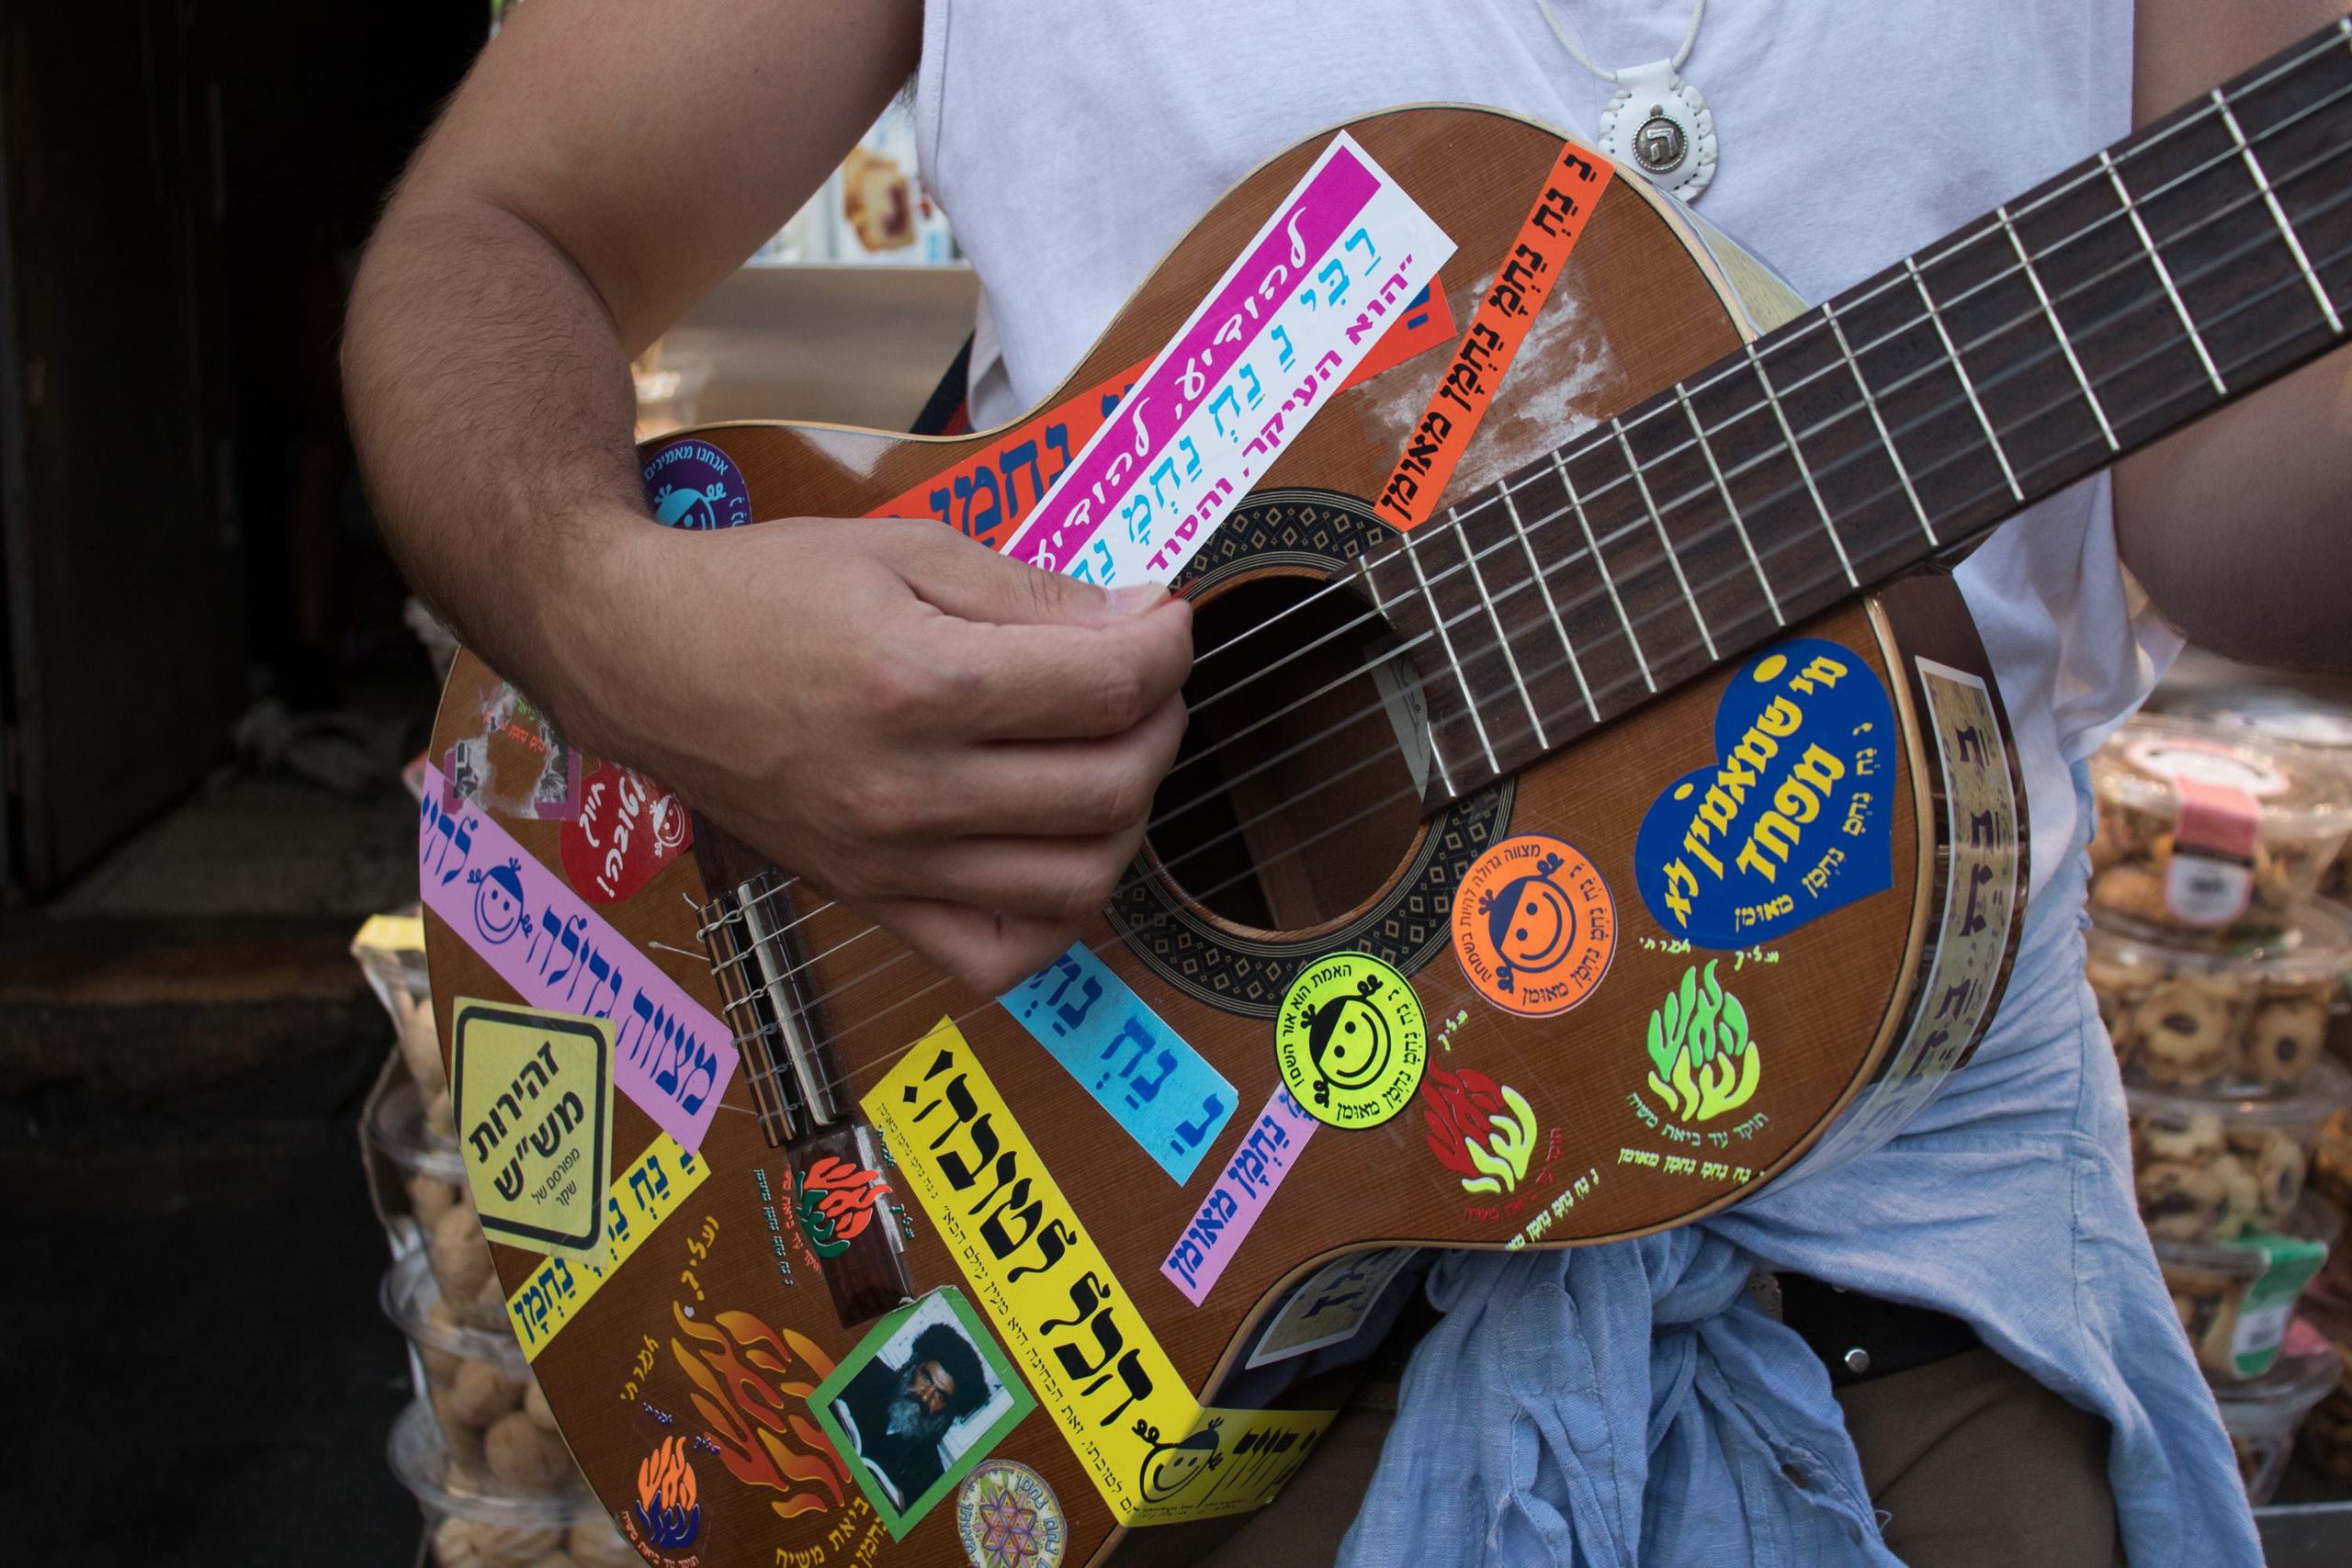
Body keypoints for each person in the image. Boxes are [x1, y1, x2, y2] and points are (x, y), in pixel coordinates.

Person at [344, 3, 2352, 1564]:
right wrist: (625, 632)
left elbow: (2236, 514)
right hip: (1113, 1354)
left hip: (1906, 1349)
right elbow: (485, 242)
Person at [830, 1322, 990, 1509]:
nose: (925, 1396)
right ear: (913, 1365)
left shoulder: (930, 1477)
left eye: (940, 1396)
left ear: (947, 1412)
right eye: (926, 1378)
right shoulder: (865, 1372)